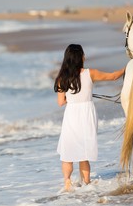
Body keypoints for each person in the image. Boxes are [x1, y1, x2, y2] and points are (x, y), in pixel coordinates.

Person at [54, 44, 125, 191]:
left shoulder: (62, 78)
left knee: (68, 152)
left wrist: (72, 99)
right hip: (86, 114)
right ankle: (86, 183)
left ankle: (67, 181)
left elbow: (61, 102)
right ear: (80, 57)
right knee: (84, 152)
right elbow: (113, 77)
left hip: (71, 115)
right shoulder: (90, 73)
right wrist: (127, 67)